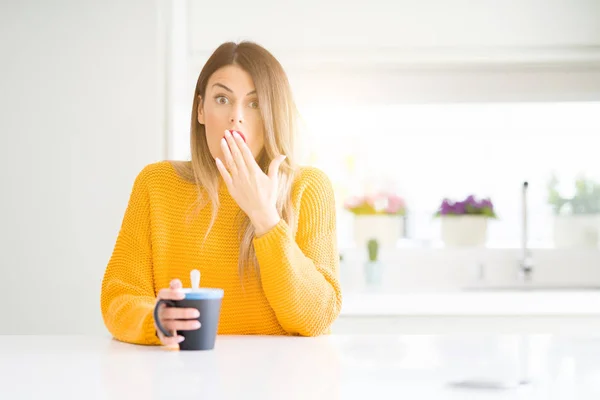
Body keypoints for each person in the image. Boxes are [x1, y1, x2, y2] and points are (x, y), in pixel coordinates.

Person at [100, 41, 342, 346]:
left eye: (254, 104)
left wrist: (265, 218)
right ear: (201, 109)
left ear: (273, 114)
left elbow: (316, 317)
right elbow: (119, 296)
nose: (236, 117)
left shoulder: (308, 188)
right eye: (222, 98)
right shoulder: (155, 184)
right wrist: (156, 320)